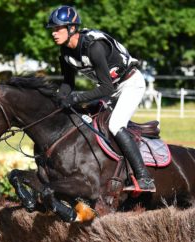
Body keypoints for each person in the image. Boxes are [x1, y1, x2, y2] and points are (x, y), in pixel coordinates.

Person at [46, 5, 155, 192]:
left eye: (58, 29)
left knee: (115, 124)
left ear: (72, 29)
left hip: (130, 84)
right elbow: (68, 84)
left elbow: (106, 87)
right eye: (53, 30)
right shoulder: (65, 53)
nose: (54, 33)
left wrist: (77, 98)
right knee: (86, 122)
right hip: (109, 88)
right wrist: (57, 100)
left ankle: (144, 177)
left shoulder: (94, 47)